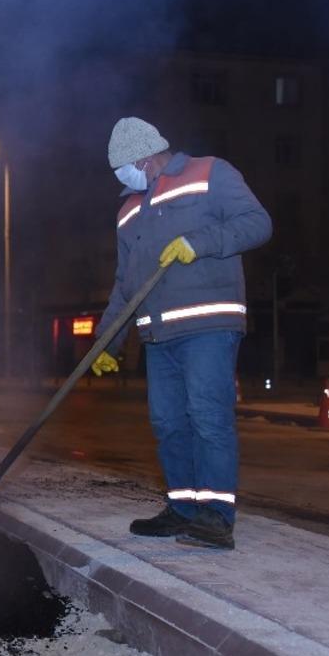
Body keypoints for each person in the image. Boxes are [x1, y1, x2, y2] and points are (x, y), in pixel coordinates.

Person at [92, 117, 272, 550]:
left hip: (208, 323)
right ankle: (184, 507)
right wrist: (107, 341)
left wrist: (201, 242)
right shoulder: (129, 209)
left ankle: (216, 514)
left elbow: (258, 223)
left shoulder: (211, 172)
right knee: (168, 422)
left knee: (207, 416)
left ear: (146, 157)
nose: (125, 178)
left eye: (126, 168)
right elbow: (125, 283)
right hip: (157, 334)